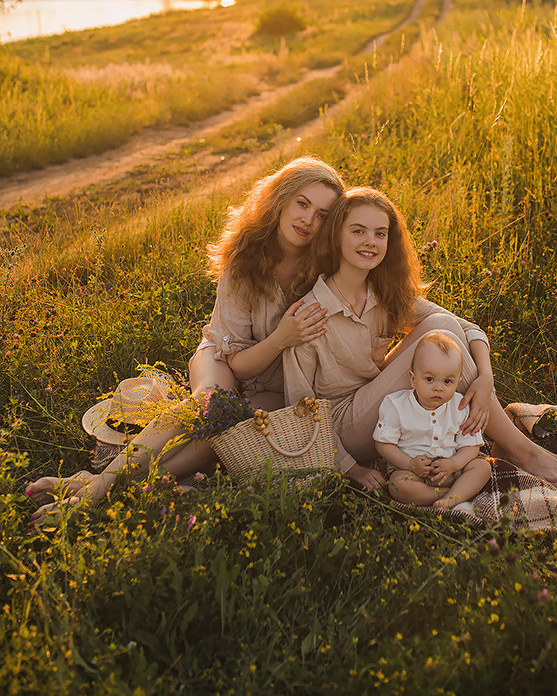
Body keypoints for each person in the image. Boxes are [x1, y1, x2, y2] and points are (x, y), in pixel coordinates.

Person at [26, 156, 347, 524]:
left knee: (232, 426)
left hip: (277, 378)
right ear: (280, 200)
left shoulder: (326, 266)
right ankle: (100, 491)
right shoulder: (245, 257)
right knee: (212, 403)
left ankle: (99, 486)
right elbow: (235, 362)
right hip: (226, 358)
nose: (308, 220)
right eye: (302, 204)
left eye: (322, 214)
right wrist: (281, 338)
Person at [283, 187, 557, 486]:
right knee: (441, 329)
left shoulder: (381, 292)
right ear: (335, 235)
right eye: (358, 231)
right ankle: (520, 449)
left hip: (378, 399)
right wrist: (350, 469)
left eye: (380, 233)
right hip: (346, 428)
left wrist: (485, 375)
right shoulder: (310, 312)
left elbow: (464, 327)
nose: (370, 242)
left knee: (442, 325)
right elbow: (300, 410)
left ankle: (512, 445)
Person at [373, 331, 492, 510]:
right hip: (410, 470)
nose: (438, 388)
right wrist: (410, 464)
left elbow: (471, 447)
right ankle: (449, 495)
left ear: (458, 381)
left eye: (447, 381)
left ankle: (451, 497)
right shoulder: (396, 406)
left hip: (451, 469)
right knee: (398, 486)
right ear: (413, 379)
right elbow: (383, 444)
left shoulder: (459, 406)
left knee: (482, 468)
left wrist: (453, 464)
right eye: (429, 379)